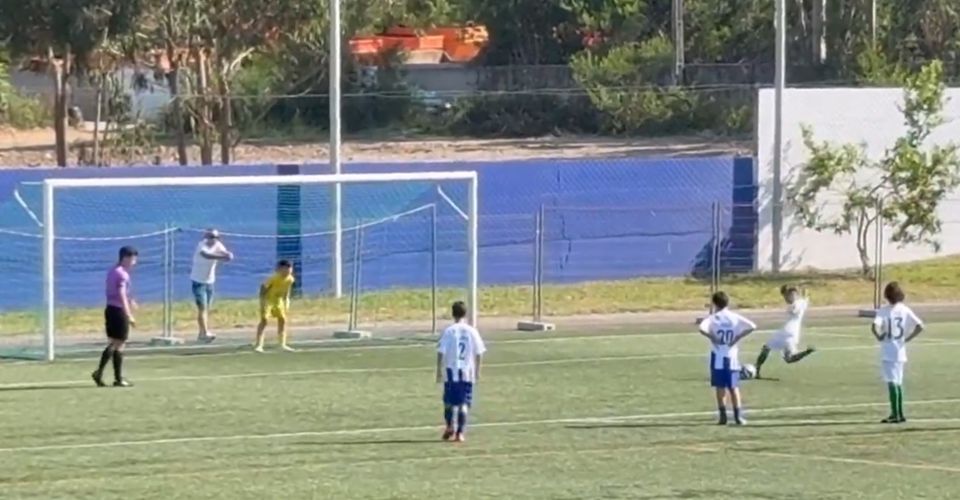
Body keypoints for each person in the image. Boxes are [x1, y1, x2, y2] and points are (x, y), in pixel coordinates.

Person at [698, 291, 756, 426]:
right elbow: (752, 326)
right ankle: (738, 417)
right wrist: (737, 337)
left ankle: (723, 416)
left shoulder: (713, 318)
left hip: (717, 356)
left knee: (720, 387)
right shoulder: (734, 317)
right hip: (731, 356)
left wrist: (713, 337)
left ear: (714, 303)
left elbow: (701, 328)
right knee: (733, 387)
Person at [872, 282, 924, 424]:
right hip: (900, 351)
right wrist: (907, 339)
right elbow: (920, 326)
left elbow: (874, 326)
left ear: (887, 295)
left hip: (888, 351)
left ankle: (895, 414)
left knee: (892, 382)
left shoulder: (884, 311)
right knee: (899, 382)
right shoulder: (905, 309)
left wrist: (879, 336)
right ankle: (899, 413)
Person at [436, 301, 486, 442]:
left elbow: (441, 351)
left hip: (451, 372)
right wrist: (478, 370)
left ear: (452, 314)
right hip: (467, 372)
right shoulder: (472, 331)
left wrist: (438, 370)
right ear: (465, 314)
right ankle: (460, 433)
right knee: (464, 403)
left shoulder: (449, 331)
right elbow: (479, 352)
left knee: (448, 402)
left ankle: (449, 426)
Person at [92, 246, 138, 388]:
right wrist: (129, 314)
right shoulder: (122, 274)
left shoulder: (113, 271)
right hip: (118, 311)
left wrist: (130, 300)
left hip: (110, 309)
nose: (134, 262)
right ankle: (112, 376)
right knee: (119, 344)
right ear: (125, 258)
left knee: (114, 343)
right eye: (133, 259)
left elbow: (116, 292)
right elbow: (121, 294)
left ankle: (108, 375)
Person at [754, 285, 816, 378]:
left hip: (788, 333)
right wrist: (806, 296)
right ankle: (757, 370)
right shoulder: (801, 302)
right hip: (788, 333)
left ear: (794, 294)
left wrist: (801, 299)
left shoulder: (796, 304)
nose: (786, 298)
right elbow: (805, 300)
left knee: (773, 351)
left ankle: (756, 370)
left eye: (788, 296)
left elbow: (795, 310)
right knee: (781, 355)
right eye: (785, 296)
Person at [190, 229, 233, 343]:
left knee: (206, 308)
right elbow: (207, 255)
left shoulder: (218, 245)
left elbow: (225, 252)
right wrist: (222, 257)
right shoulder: (201, 245)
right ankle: (204, 333)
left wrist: (228, 255)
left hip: (210, 281)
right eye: (210, 237)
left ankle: (201, 333)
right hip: (198, 281)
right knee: (202, 308)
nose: (213, 239)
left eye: (215, 237)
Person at [253, 260, 296, 353]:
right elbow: (263, 288)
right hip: (268, 300)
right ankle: (259, 345)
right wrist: (262, 300)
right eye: (286, 268)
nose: (288, 271)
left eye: (290, 268)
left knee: (283, 320)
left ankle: (282, 344)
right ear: (280, 269)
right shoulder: (273, 278)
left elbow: (287, 291)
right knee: (264, 320)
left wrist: (286, 301)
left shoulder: (290, 279)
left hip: (278, 301)